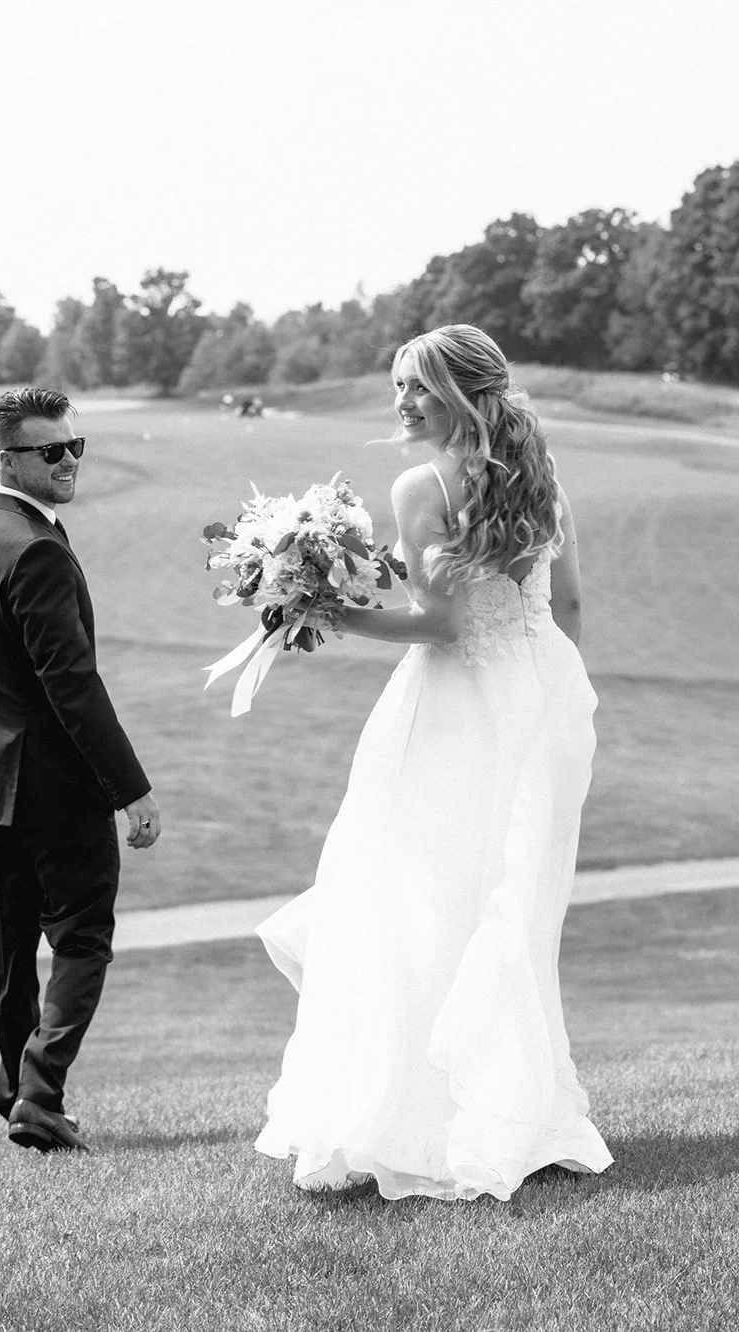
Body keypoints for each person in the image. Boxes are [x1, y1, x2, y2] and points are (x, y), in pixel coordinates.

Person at [255, 325, 613, 1201]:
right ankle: (518, 1111)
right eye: (398, 387)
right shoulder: (541, 476)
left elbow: (443, 625)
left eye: (417, 388)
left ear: (461, 393)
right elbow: (563, 605)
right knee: (508, 904)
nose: (403, 404)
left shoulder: (422, 484)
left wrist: (323, 610)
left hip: (452, 710)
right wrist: (552, 706)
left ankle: (417, 1119)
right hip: (535, 700)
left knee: (413, 901)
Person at [0, 386, 161, 1154]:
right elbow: (71, 684)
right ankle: (39, 1092)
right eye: (51, 450)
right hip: (51, 783)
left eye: (76, 446)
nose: (69, 460)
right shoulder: (34, 546)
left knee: (7, 946)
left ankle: (17, 1095)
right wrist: (129, 788)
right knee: (81, 938)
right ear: (8, 457)